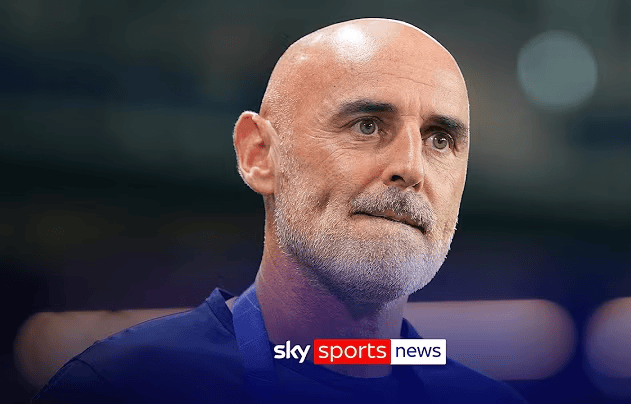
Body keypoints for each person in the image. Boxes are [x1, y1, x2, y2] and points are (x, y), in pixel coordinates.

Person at [34, 18, 527, 403]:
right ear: (260, 155)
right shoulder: (124, 388)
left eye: (440, 139)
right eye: (367, 125)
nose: (411, 168)